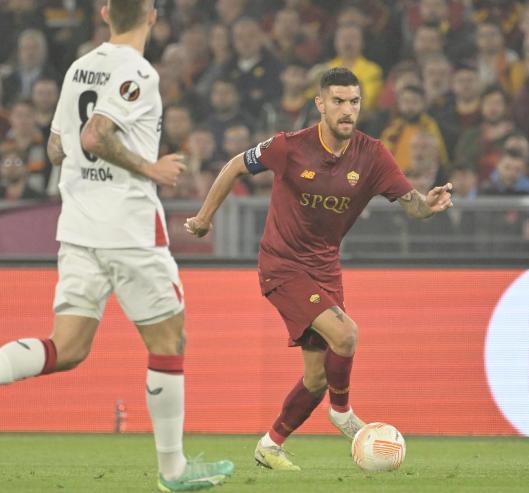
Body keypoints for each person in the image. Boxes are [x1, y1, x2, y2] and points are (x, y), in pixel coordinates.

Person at [0, 2, 234, 491]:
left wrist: (88, 168)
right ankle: (173, 471)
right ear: (152, 15)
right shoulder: (138, 72)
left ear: (106, 13)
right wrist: (151, 168)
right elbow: (95, 134)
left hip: (78, 228)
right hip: (128, 230)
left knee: (66, 348)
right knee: (168, 342)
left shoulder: (78, 67)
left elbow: (56, 148)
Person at [185, 67, 453, 470]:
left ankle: (270, 445)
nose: (347, 110)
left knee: (316, 378)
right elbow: (236, 165)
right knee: (346, 335)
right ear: (321, 104)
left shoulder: (372, 155)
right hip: (282, 264)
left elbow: (412, 204)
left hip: (325, 269)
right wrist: (205, 218)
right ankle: (342, 413)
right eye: (338, 101)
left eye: (354, 102)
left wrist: (428, 206)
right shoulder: (289, 146)